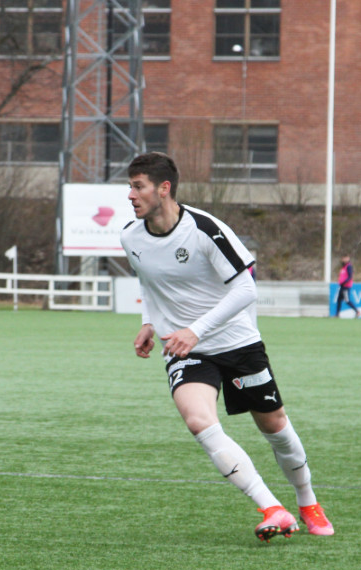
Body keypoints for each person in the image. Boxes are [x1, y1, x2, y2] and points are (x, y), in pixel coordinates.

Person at [121, 152, 334, 542]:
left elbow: (246, 289)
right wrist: (149, 321)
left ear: (163, 189)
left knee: (274, 425)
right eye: (130, 187)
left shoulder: (205, 229)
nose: (130, 195)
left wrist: (196, 330)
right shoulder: (130, 236)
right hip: (186, 350)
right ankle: (272, 507)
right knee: (198, 420)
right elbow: (148, 282)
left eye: (138, 187)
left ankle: (308, 502)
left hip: (236, 342)